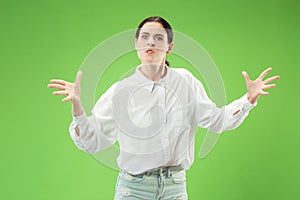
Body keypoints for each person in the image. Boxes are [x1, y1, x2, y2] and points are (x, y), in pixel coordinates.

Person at [48, 16, 280, 200]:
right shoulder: (120, 91)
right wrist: (77, 107)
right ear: (137, 45)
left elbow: (217, 120)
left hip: (175, 188)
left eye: (159, 38)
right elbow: (92, 141)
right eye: (145, 37)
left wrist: (248, 100)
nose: (151, 42)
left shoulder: (187, 81)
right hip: (134, 190)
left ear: (169, 47)